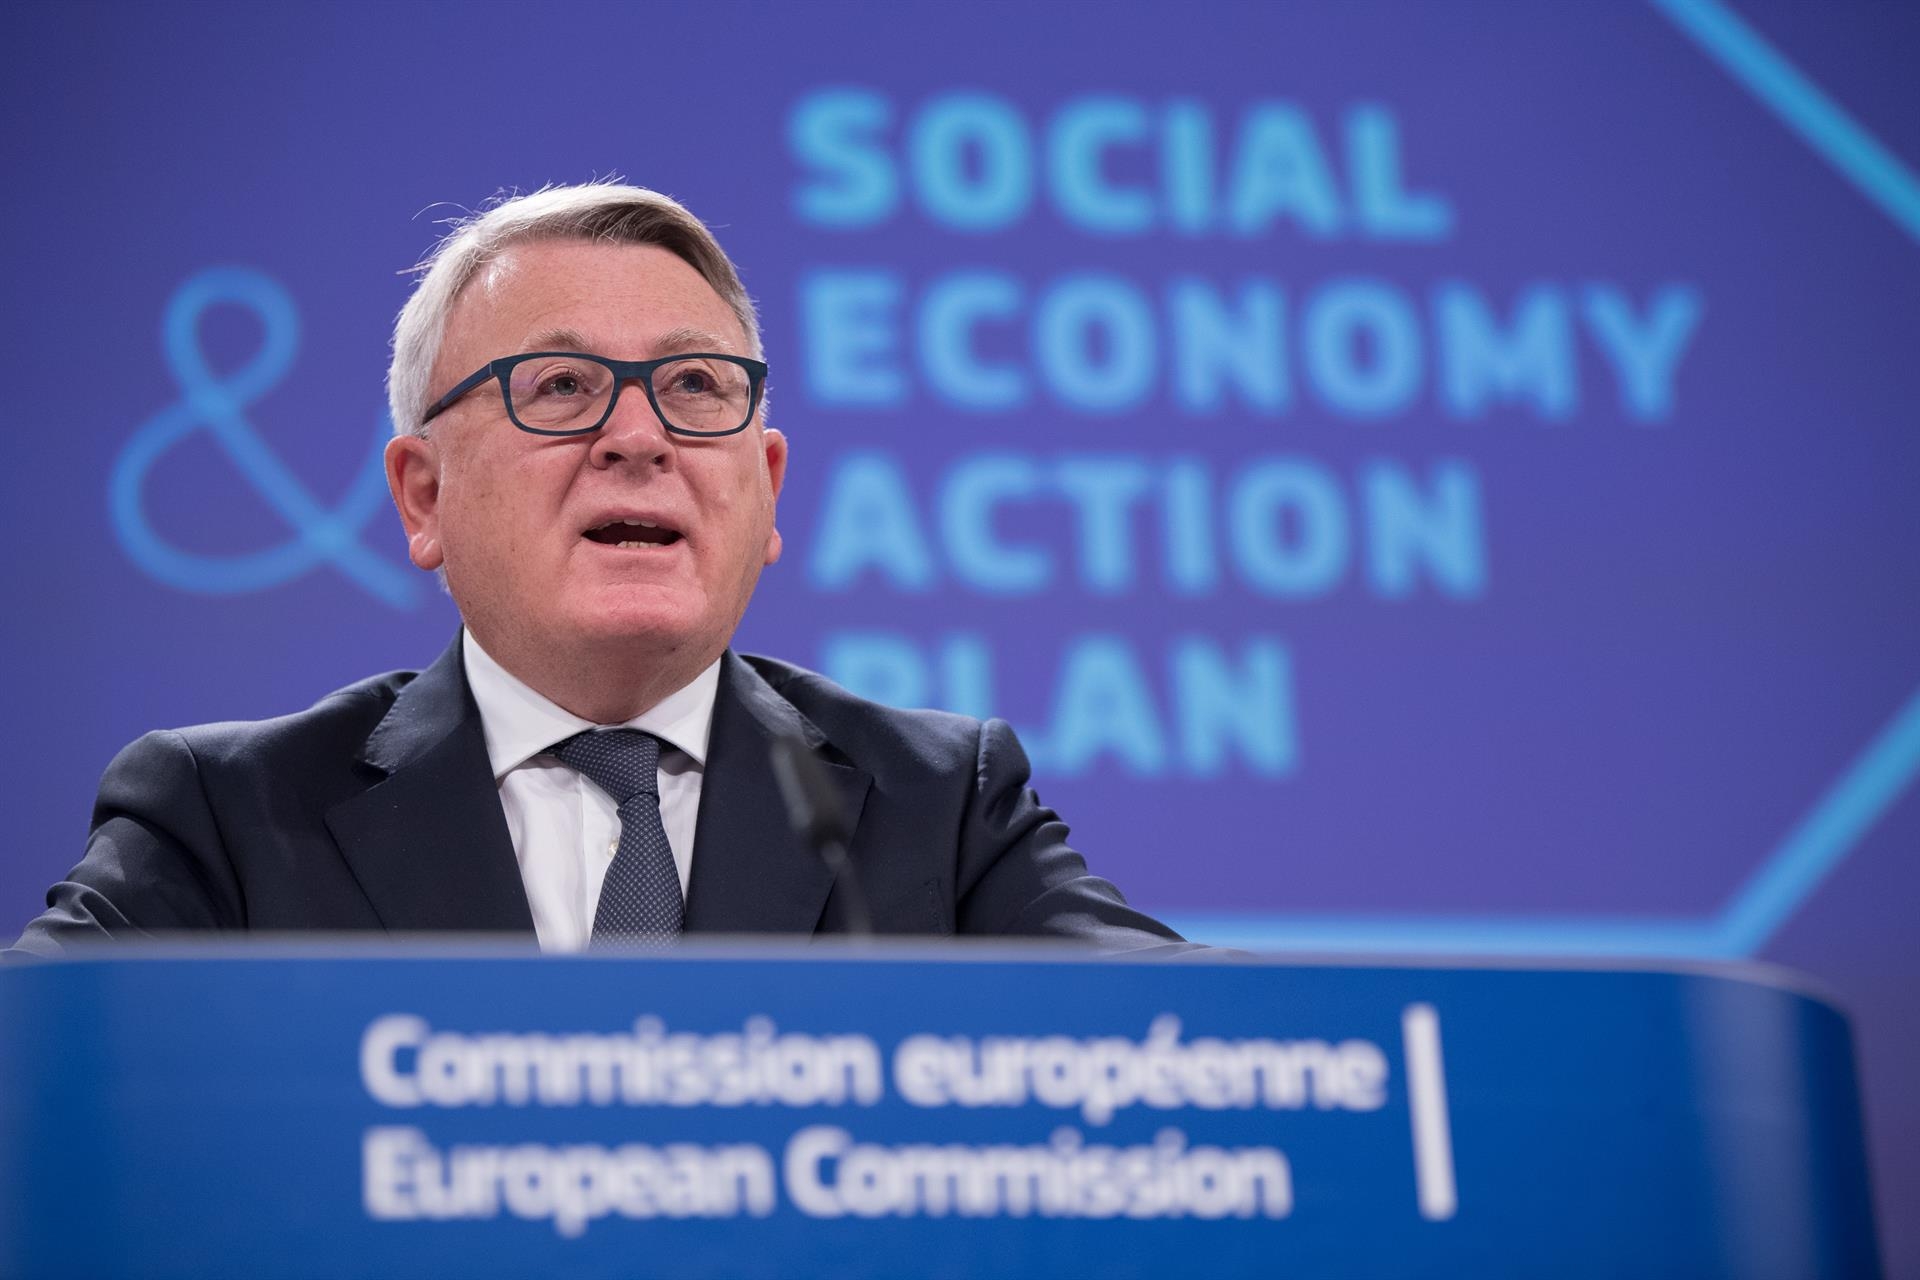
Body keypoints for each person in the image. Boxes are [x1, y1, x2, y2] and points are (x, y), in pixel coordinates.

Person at [12, 182, 1183, 956]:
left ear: (768, 486)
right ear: (423, 494)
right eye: (562, 385)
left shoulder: (940, 808)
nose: (639, 435)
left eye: (696, 386)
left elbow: (1208, 1050)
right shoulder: (225, 818)